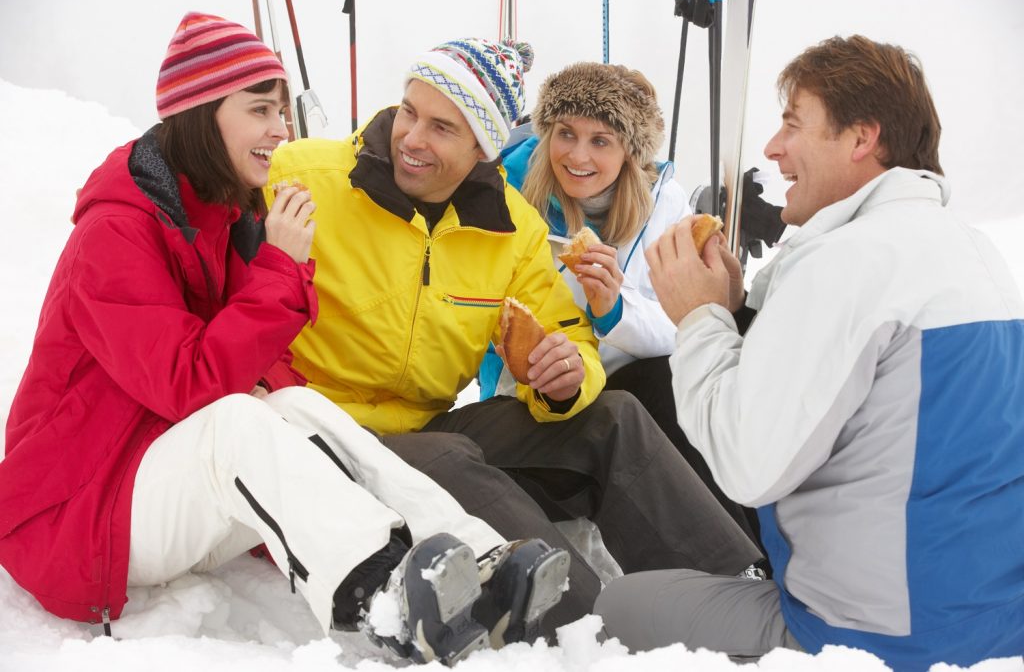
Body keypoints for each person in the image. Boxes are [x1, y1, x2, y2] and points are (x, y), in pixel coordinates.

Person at [0, 13, 572, 667]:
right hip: (74, 513)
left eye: (281, 108)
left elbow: (267, 372)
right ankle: (383, 592)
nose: (281, 127)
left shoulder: (223, 216)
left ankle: (475, 555)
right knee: (237, 419)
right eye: (261, 109)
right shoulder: (116, 235)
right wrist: (279, 270)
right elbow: (187, 383)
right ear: (202, 113)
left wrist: (305, 416)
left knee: (296, 404)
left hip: (152, 480)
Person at [267, 37, 763, 634]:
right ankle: (586, 624)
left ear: (483, 145)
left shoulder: (508, 224)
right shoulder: (303, 176)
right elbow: (196, 188)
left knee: (613, 415)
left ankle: (737, 593)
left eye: (442, 127)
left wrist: (567, 375)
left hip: (425, 420)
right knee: (448, 458)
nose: (413, 138)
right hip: (324, 433)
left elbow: (569, 333)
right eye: (409, 111)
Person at [594, 35, 1024, 670]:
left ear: (861, 139)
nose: (772, 148)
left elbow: (746, 468)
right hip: (995, 622)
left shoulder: (846, 262)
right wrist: (738, 313)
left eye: (793, 123)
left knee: (613, 612)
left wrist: (701, 318)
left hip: (876, 639)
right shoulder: (973, 252)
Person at [479, 61, 761, 544]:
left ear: (630, 151)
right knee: (629, 412)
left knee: (675, 381)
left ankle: (750, 553)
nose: (577, 156)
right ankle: (719, 561)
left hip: (627, 380)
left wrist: (614, 308)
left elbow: (683, 322)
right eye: (565, 133)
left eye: (601, 141)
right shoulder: (507, 198)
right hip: (542, 393)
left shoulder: (663, 204)